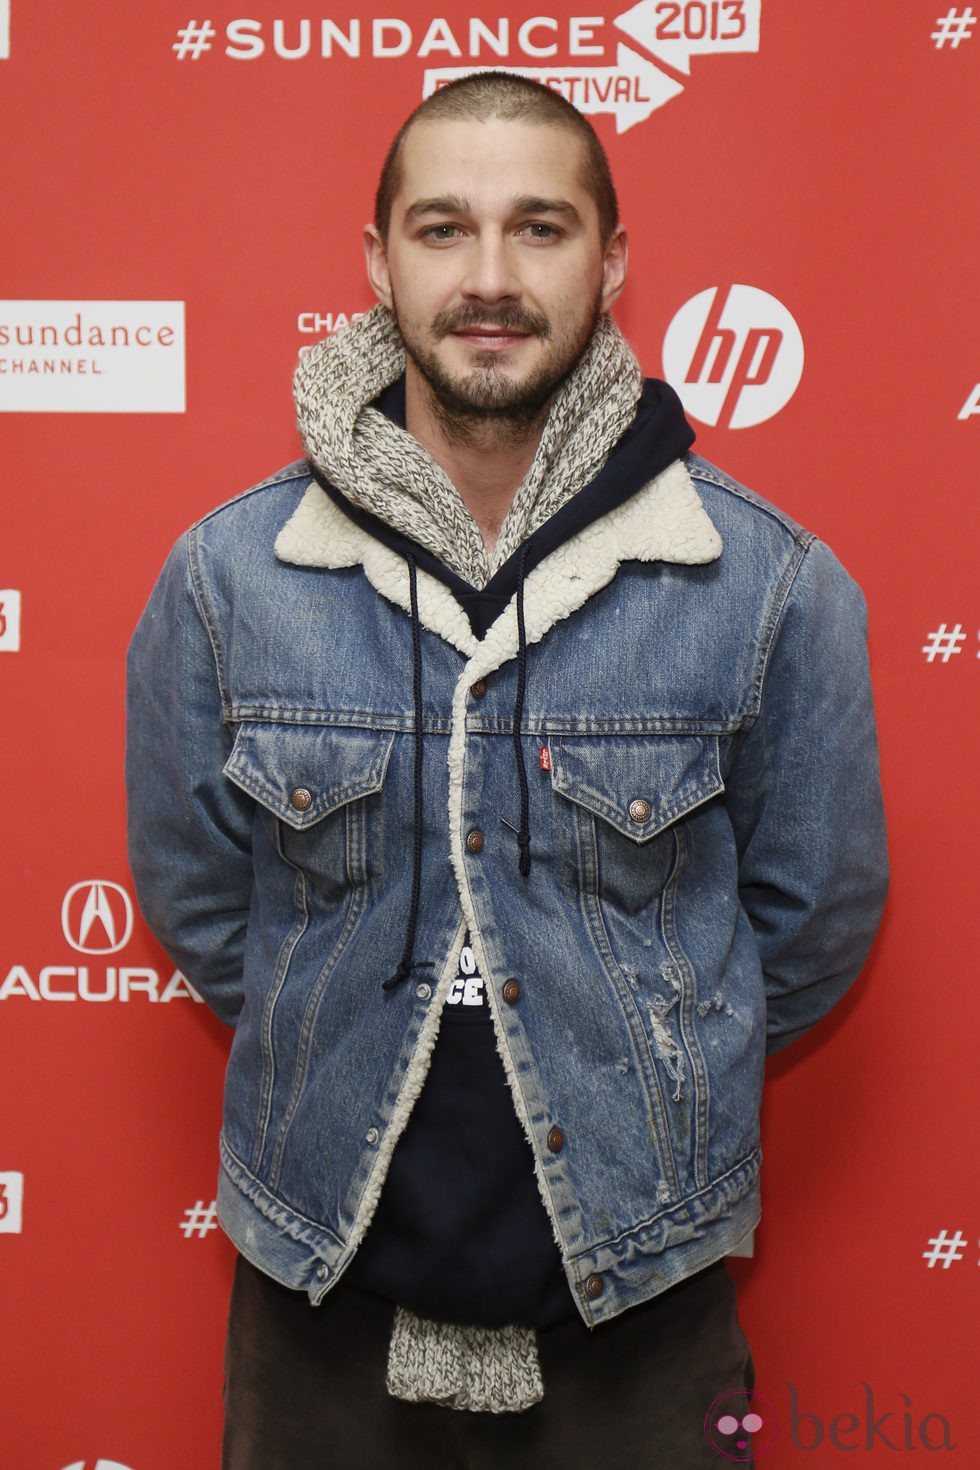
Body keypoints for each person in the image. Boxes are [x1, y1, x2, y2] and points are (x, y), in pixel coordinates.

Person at [126, 72, 888, 1469]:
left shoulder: (763, 584)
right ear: (375, 263)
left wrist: (656, 1061)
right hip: (316, 1304)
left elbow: (810, 919)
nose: (488, 277)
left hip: (647, 1313)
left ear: (612, 261)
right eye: (441, 228)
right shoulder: (225, 578)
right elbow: (201, 900)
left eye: (539, 228)